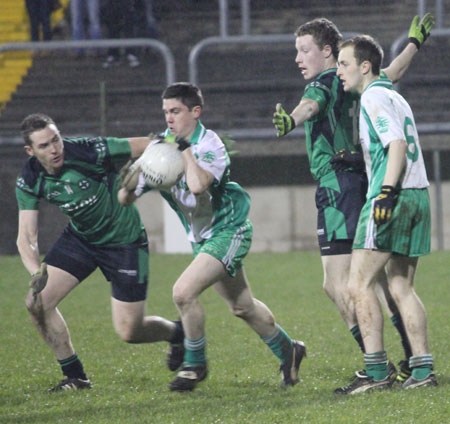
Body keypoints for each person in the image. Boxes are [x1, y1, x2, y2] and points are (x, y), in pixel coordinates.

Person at [272, 14, 434, 387]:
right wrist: (413, 44)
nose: (298, 58)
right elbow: (390, 70)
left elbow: (311, 105)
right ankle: (414, 360)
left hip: (343, 186)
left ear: (329, 53)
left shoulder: (329, 82)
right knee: (388, 283)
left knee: (345, 284)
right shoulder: (372, 85)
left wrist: (291, 121)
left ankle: (376, 365)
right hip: (375, 181)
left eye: (304, 50)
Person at [118, 82, 306, 392]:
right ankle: (290, 351)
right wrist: (130, 180)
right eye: (165, 112)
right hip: (202, 238)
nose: (169, 119)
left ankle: (195, 364)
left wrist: (185, 151)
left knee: (182, 292)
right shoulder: (158, 150)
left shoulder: (210, 144)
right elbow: (125, 200)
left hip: (229, 230)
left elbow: (197, 185)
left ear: (196, 111)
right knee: (242, 306)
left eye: (175, 111)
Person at [16, 114, 184, 391]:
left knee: (130, 331)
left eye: (56, 140)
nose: (54, 149)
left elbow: (145, 144)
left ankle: (178, 333)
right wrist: (36, 270)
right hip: (81, 239)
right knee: (36, 303)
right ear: (30, 151)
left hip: (125, 242)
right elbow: (26, 237)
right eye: (44, 146)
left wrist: (178, 144)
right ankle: (76, 377)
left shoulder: (87, 151)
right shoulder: (30, 178)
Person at [335, 34, 437, 393]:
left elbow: (396, 143)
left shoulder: (373, 97)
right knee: (401, 286)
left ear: (365, 67)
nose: (338, 72)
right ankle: (423, 371)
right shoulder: (393, 94)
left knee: (357, 285)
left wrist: (386, 193)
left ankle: (377, 375)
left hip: (390, 197)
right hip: (419, 194)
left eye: (343, 64)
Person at [102, 0, 140, 68]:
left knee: (128, 29)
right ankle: (113, 54)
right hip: (111, 4)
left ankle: (130, 53)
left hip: (127, 3)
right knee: (113, 29)